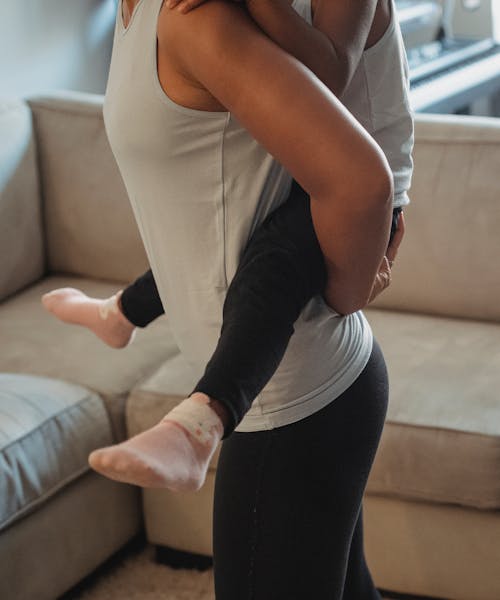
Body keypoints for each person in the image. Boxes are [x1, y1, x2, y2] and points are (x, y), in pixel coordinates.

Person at [43, 0, 412, 597]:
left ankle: (201, 419)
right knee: (228, 242)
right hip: (302, 359)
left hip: (302, 372)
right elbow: (207, 217)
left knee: (271, 260)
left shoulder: (210, 20)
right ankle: (122, 314)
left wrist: (351, 278)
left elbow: (334, 78)